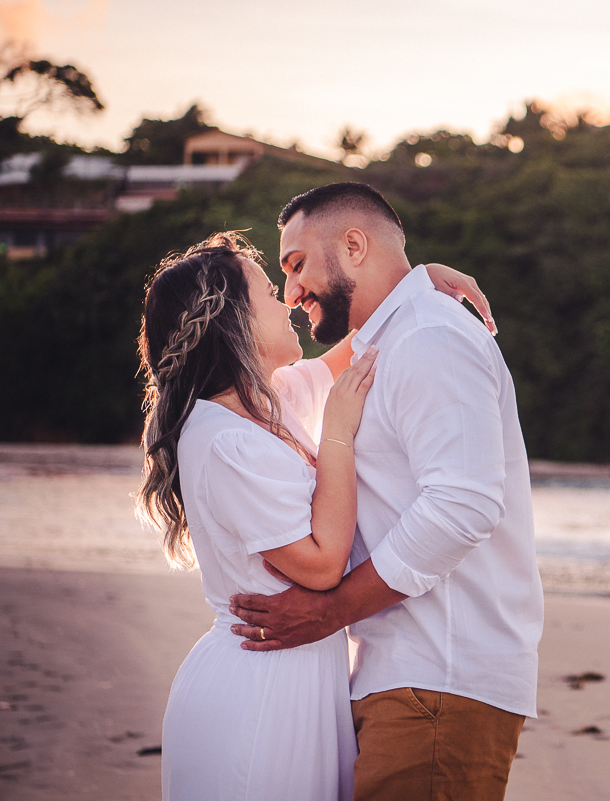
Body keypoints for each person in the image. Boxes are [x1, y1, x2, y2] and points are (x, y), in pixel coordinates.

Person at [136, 231, 491, 801]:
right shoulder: (225, 439)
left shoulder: (263, 407)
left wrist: (415, 284)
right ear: (236, 324)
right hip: (260, 688)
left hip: (298, 680)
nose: (289, 301)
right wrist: (337, 434)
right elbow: (323, 566)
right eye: (270, 296)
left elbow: (353, 354)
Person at [229, 182, 544, 801]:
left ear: (353, 246)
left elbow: (464, 506)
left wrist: (331, 611)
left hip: (440, 677)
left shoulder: (430, 338)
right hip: (408, 675)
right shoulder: (388, 341)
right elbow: (258, 396)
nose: (291, 291)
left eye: (295, 265)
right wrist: (416, 277)